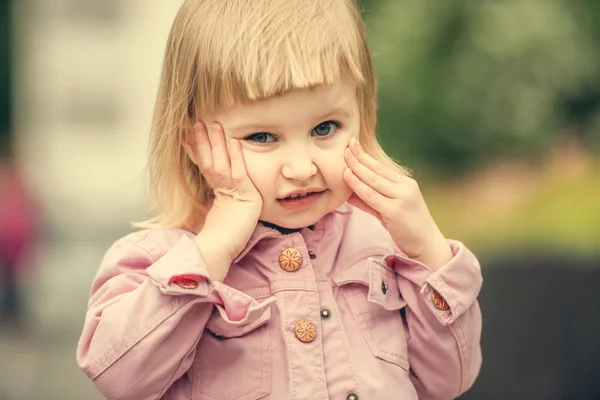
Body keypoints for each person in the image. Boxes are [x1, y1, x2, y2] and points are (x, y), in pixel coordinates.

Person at [76, 1, 483, 399]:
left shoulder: (386, 247)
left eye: (326, 127)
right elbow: (119, 377)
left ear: (363, 114)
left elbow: (449, 381)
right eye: (262, 137)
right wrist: (213, 250)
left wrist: (429, 252)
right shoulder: (159, 259)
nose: (301, 167)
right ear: (195, 144)